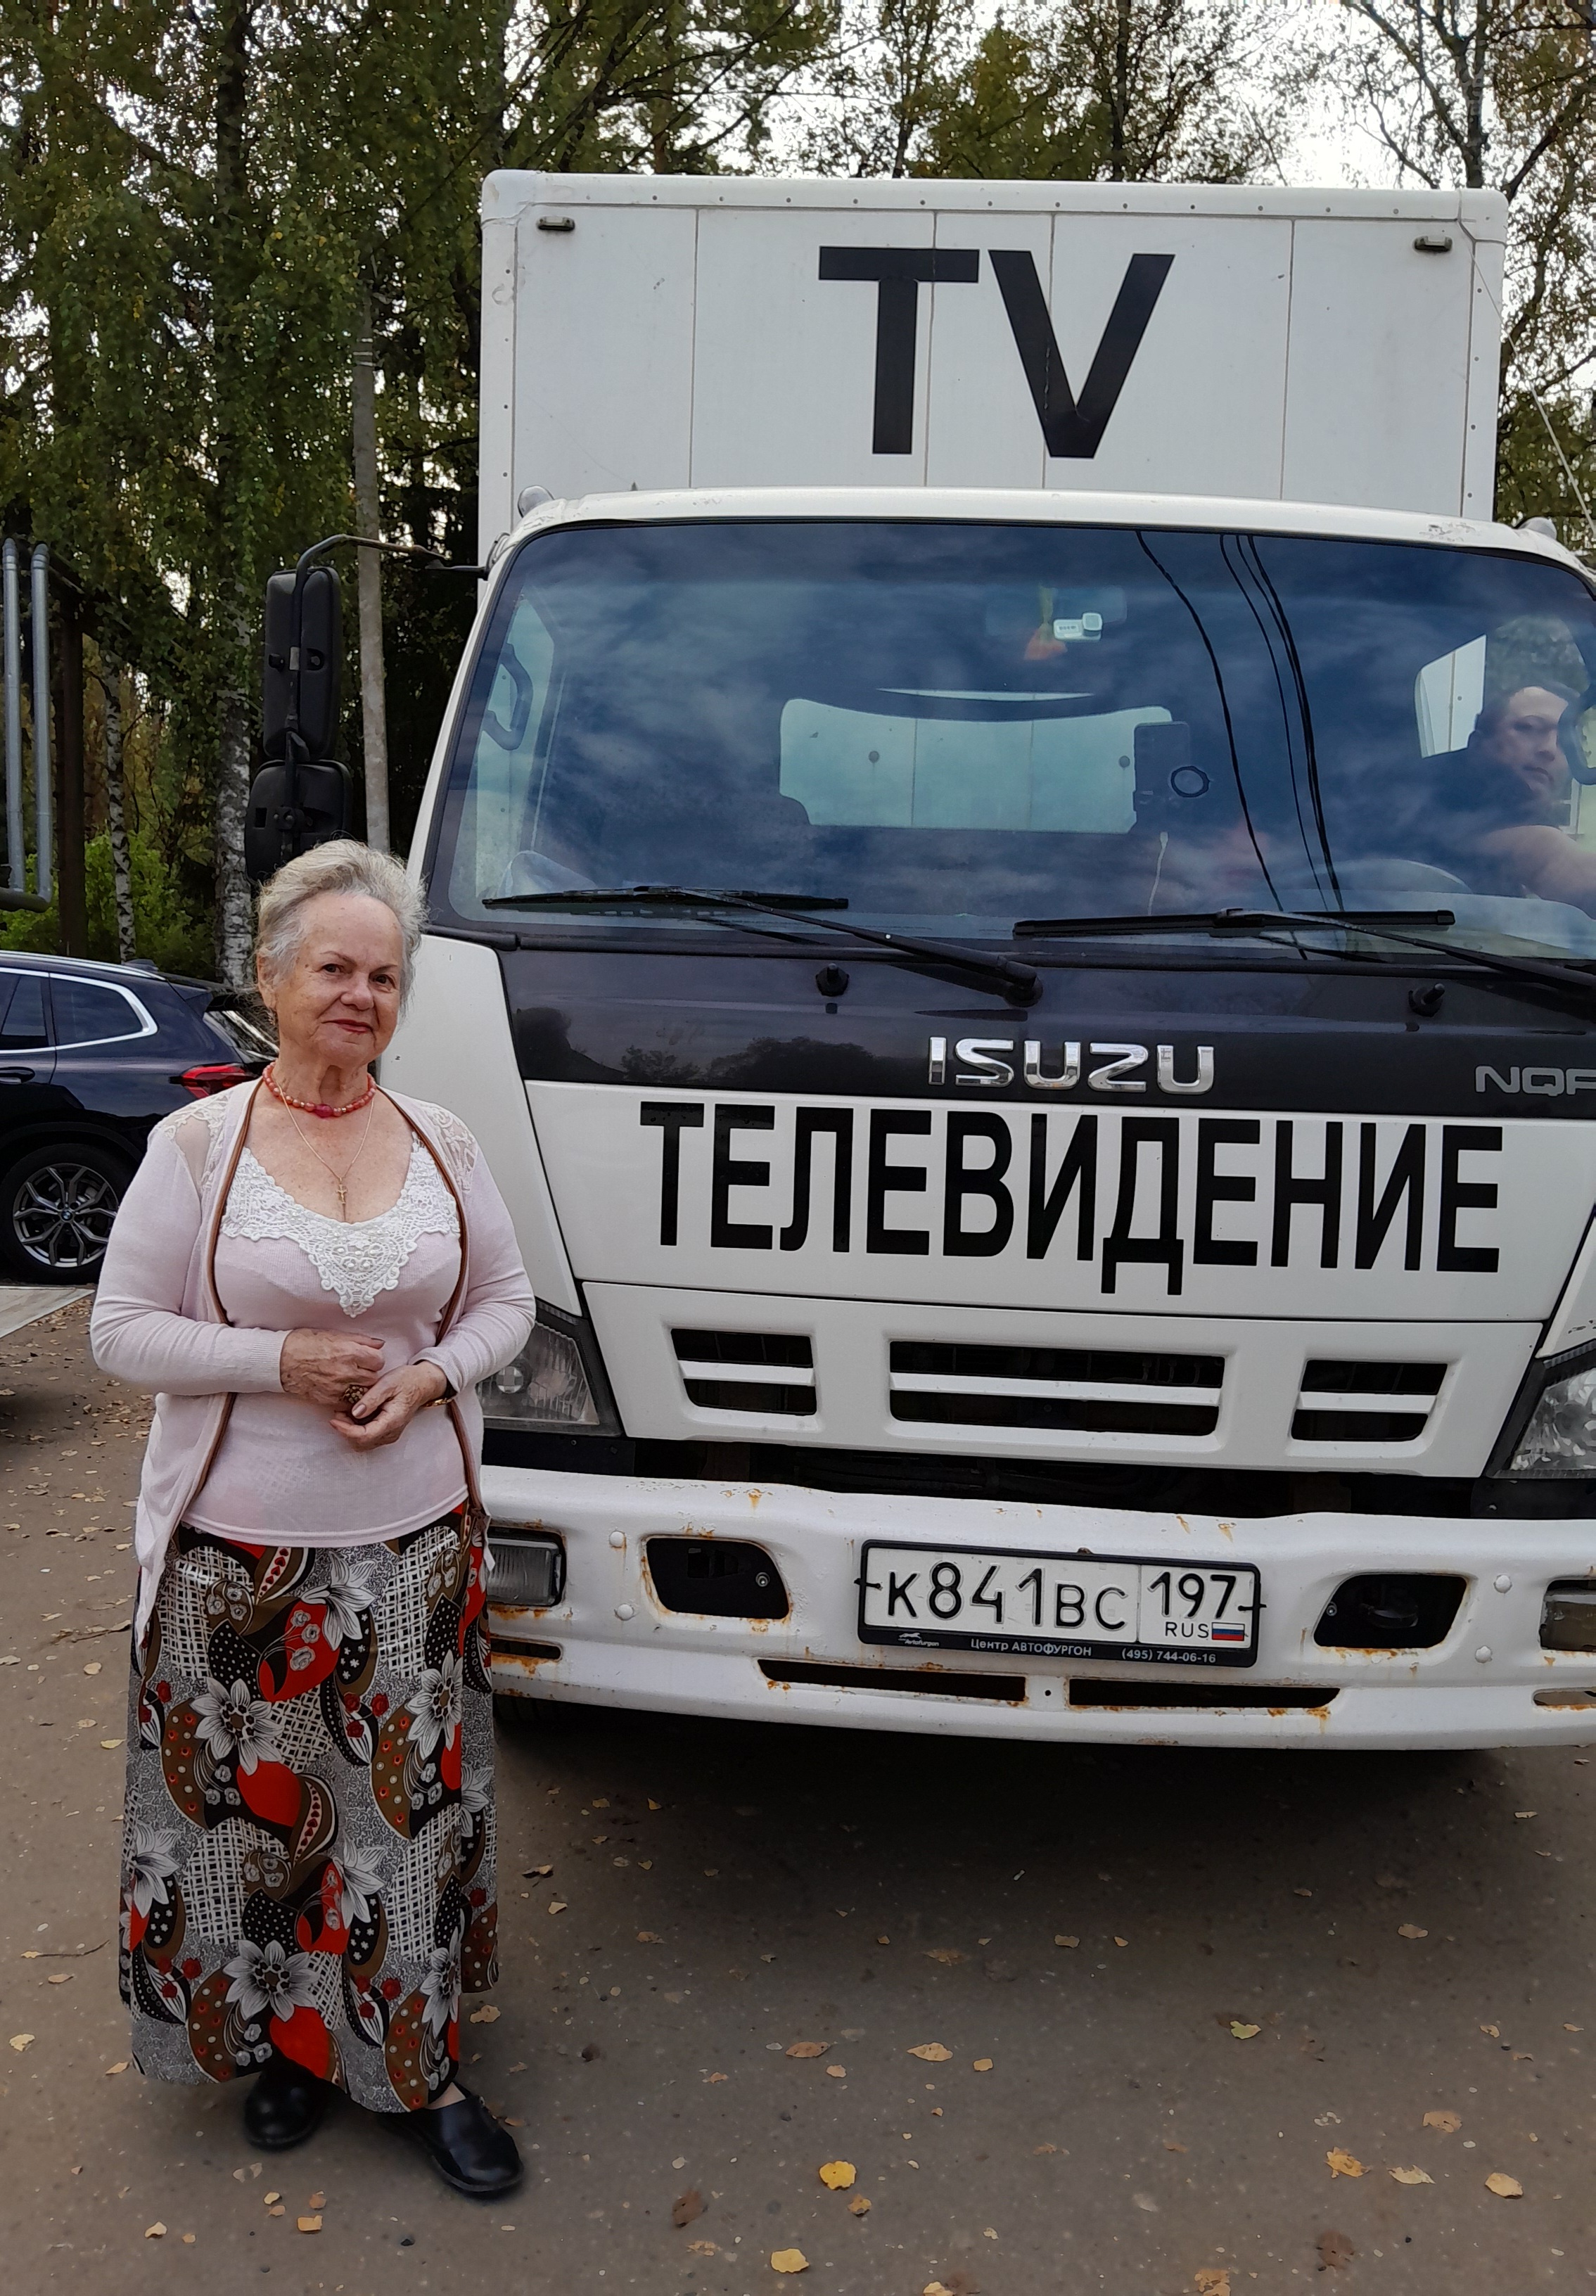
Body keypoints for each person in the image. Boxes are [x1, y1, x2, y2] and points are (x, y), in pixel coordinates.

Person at [91, 841, 537, 2196]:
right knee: (262, 1818)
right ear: (271, 977)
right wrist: (272, 1359)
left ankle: (418, 2068)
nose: (360, 994)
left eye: (384, 976)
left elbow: (504, 1303)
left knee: (399, 1819)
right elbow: (120, 1329)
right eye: (334, 967)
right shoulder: (198, 1146)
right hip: (235, 1560)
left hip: (415, 1546)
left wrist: (432, 1374)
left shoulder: (443, 1140)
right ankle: (293, 2045)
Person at [1460, 680, 1596, 912]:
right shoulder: (1417, 802)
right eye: (1530, 728)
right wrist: (1539, 850)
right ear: (1478, 744)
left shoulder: (1531, 816)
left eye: (1566, 742)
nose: (1549, 749)